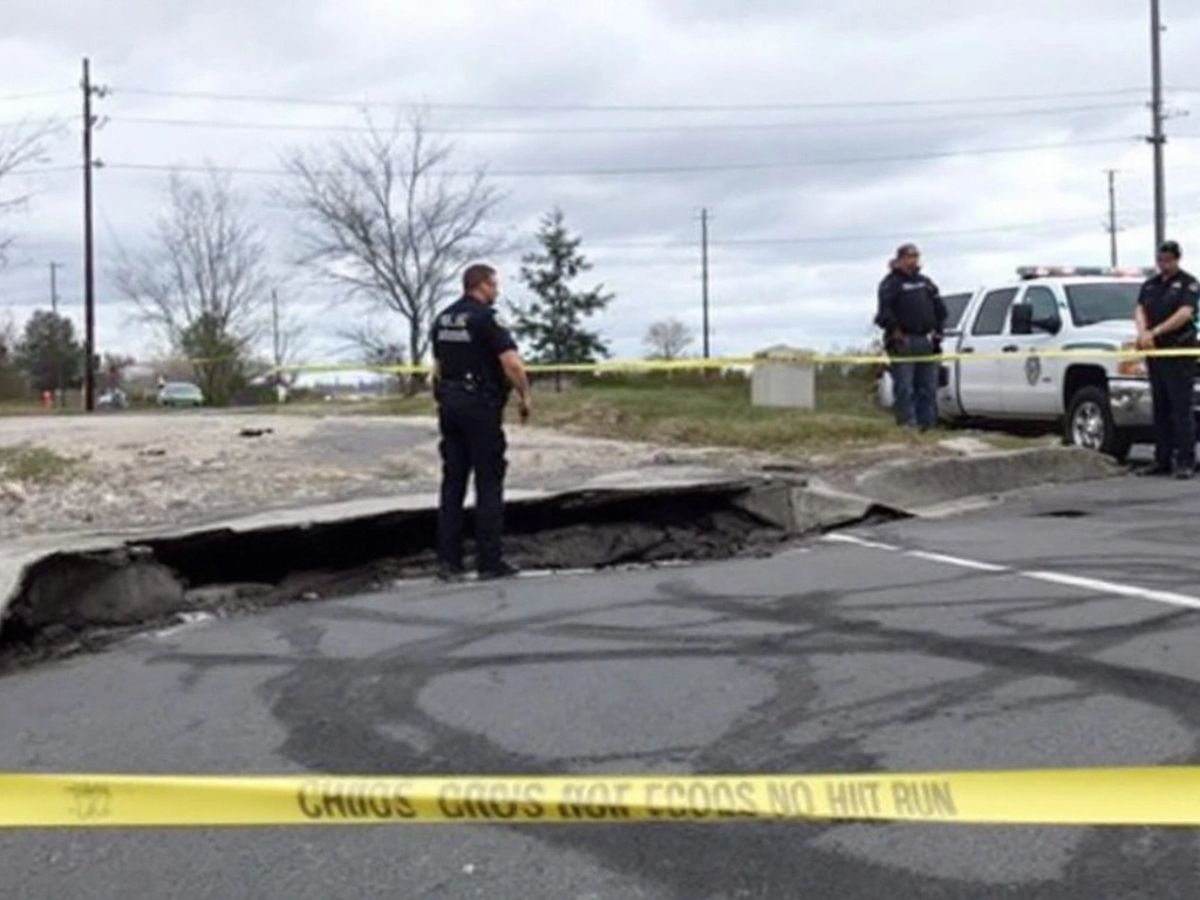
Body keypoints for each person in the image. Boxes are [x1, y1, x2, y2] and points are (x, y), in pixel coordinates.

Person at [432, 263, 532, 580]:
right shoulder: (485, 319)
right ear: (481, 285)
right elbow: (511, 363)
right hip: (479, 405)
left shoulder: (443, 318)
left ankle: (449, 562)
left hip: (450, 403)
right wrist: (524, 396)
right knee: (489, 481)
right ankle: (489, 561)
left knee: (453, 482)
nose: (497, 291)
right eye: (494, 285)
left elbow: (438, 365)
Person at [1135, 240, 1200, 479]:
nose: (1163, 265)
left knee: (1181, 408)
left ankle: (1186, 461)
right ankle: (1161, 459)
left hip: (1179, 351)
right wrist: (1143, 333)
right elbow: (1140, 309)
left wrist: (1156, 331)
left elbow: (1185, 313)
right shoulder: (1150, 285)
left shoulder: (1188, 283)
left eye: (1167, 260)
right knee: (1160, 407)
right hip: (1155, 353)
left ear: (1177, 259)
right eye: (1160, 260)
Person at [875, 243, 947, 430]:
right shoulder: (890, 283)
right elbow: (884, 313)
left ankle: (927, 426)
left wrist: (938, 331)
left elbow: (939, 308)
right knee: (905, 387)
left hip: (926, 340)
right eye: (908, 256)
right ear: (899, 259)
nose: (912, 260)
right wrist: (894, 331)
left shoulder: (925, 282)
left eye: (915, 256)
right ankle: (908, 425)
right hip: (903, 340)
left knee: (928, 387)